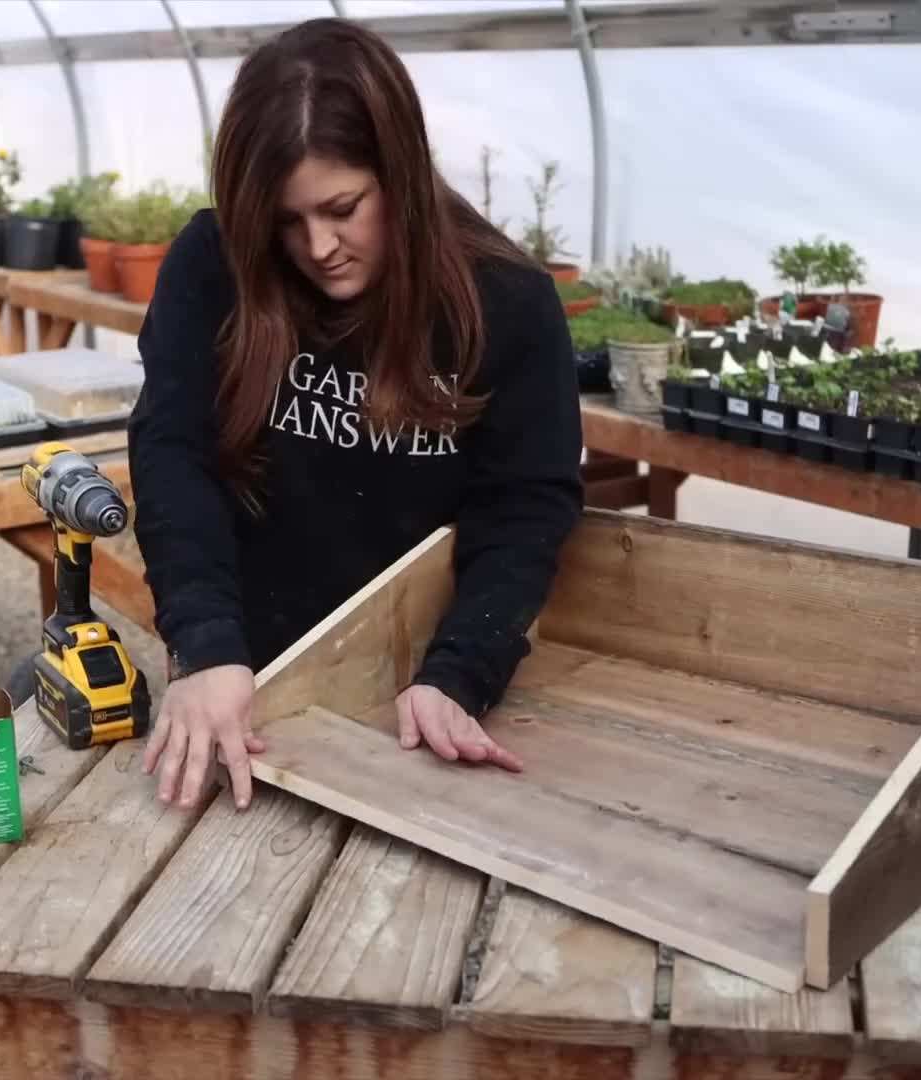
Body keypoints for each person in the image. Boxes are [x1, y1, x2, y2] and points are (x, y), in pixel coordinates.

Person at [126, 17, 584, 812]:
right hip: (245, 677)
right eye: (285, 221)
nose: (319, 245)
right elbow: (173, 452)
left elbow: (526, 505)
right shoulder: (214, 264)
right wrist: (204, 647)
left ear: (401, 175)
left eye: (343, 207)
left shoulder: (504, 302)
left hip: (414, 691)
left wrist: (459, 672)